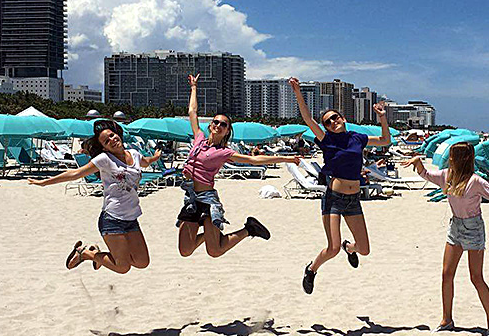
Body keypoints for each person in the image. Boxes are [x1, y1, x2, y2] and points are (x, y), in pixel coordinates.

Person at [288, 77, 393, 294]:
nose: (332, 122)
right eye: (327, 122)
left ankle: (349, 247)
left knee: (364, 249)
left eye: (335, 117)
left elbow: (385, 140)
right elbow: (307, 118)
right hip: (334, 199)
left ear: (343, 118)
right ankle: (311, 269)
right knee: (333, 248)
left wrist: (383, 117)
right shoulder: (326, 140)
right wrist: (297, 91)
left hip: (354, 200)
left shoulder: (357, 138)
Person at [177, 74, 299, 257]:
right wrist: (194, 87)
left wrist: (286, 159)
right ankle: (211, 235)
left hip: (207, 201)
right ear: (210, 125)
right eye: (216, 122)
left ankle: (249, 229)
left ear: (227, 131)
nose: (218, 125)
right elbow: (192, 112)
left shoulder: (224, 152)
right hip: (191, 199)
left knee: (215, 251)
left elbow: (254, 160)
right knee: (185, 250)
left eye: (223, 124)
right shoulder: (199, 139)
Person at [407, 143, 489, 336]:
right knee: (446, 274)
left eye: (452, 156)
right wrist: (418, 163)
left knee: (476, 278)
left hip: (473, 228)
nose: (449, 159)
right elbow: (426, 175)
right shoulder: (447, 176)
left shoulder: (476, 181)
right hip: (455, 227)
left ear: (462, 159)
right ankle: (447, 320)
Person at [28, 119, 159, 274]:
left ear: (118, 134)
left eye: (112, 135)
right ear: (104, 147)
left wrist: (155, 157)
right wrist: (44, 182)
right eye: (106, 141)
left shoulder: (135, 154)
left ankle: (97, 255)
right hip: (112, 219)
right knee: (123, 267)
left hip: (131, 218)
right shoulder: (104, 159)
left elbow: (145, 162)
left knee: (142, 262)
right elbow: (75, 173)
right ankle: (85, 254)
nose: (112, 140)